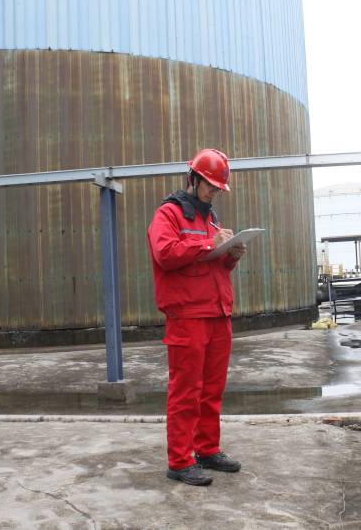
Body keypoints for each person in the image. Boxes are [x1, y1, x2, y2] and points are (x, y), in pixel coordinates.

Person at [147, 148, 247, 486]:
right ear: (193, 178)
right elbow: (165, 253)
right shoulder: (169, 213)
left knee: (212, 389)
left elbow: (213, 266)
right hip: (187, 316)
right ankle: (179, 461)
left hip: (218, 313)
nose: (213, 192)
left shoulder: (211, 217)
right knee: (186, 391)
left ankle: (206, 450)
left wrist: (231, 255)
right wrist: (208, 244)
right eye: (210, 185)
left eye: (218, 188)